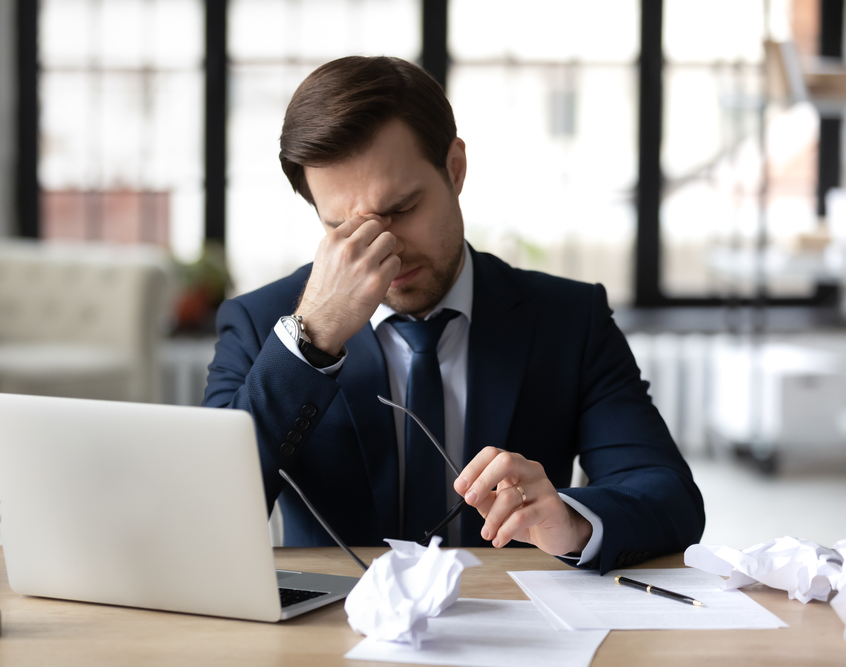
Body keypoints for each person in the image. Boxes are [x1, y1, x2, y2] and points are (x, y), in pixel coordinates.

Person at [203, 55, 704, 573]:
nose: (384, 248)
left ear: (455, 169)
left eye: (400, 210)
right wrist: (311, 341)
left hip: (514, 630)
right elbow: (205, 514)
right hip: (330, 635)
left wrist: (573, 521)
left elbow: (668, 496)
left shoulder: (570, 319)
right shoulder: (261, 324)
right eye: (341, 228)